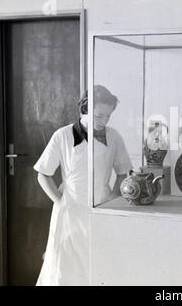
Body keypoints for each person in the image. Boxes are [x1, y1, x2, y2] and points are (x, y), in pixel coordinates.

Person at [34, 85, 132, 285]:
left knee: (98, 267)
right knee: (65, 269)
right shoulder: (62, 135)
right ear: (84, 109)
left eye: (108, 116)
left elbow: (123, 173)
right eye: (99, 116)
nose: (104, 122)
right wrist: (60, 202)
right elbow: (43, 174)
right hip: (70, 210)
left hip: (102, 209)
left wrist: (113, 200)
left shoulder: (114, 136)